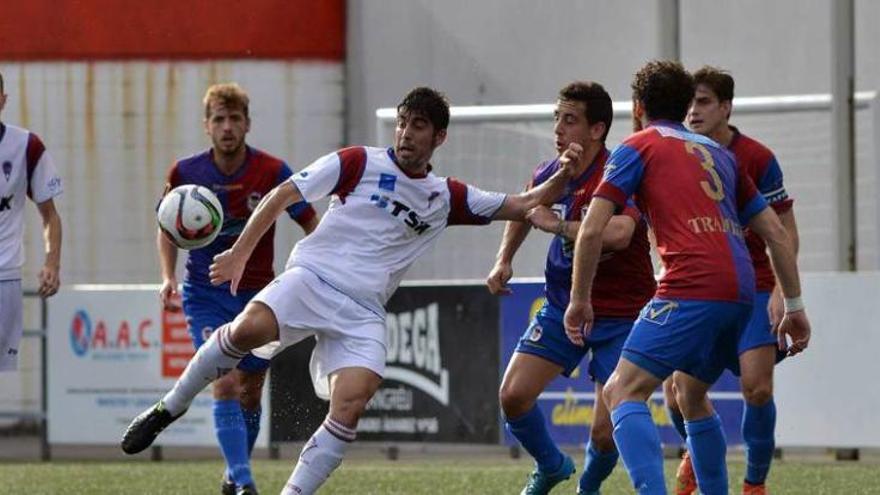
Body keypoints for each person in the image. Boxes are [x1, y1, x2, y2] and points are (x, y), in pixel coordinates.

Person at [122, 86, 579, 494]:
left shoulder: (446, 196)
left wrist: (561, 177)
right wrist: (242, 251)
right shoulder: (358, 161)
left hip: (362, 311)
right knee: (245, 332)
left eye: (418, 126)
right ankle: (169, 408)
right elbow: (284, 194)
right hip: (312, 278)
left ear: (438, 137)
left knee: (351, 405)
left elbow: (520, 204)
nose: (405, 133)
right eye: (402, 123)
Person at [563, 61, 811, 495]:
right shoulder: (722, 155)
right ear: (683, 107)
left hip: (690, 285)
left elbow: (591, 228)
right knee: (690, 396)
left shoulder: (636, 146)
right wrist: (794, 306)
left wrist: (579, 299)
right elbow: (774, 232)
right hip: (740, 291)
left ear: (637, 107)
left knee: (621, 390)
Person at [486, 81, 655, 495]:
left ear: (596, 130)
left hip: (621, 313)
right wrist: (503, 259)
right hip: (564, 307)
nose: (558, 129)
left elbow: (617, 233)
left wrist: (559, 225)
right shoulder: (552, 172)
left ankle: (588, 488)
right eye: (557, 119)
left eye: (569, 120)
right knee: (512, 396)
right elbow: (526, 208)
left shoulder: (620, 172)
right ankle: (551, 466)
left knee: (603, 432)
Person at [156, 83, 318, 495]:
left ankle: (232, 477)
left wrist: (318, 269)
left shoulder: (273, 172)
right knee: (224, 380)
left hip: (260, 297)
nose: (227, 127)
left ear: (247, 124)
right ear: (206, 126)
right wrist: (167, 276)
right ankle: (246, 483)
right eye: (219, 120)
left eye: (234, 119)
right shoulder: (185, 174)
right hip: (206, 293)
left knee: (250, 390)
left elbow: (310, 221)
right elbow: (166, 227)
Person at [665, 66, 801, 495]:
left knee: (757, 388)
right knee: (678, 393)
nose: (693, 110)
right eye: (689, 102)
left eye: (703, 101)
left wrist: (783, 290)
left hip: (756, 285)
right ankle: (695, 449)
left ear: (726, 106)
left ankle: (754, 485)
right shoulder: (677, 153)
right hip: (702, 286)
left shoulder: (757, 158)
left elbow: (786, 230)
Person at [0, 70, 63, 372]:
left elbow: (49, 214)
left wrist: (52, 262)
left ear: (3, 100)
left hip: (4, 276)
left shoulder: (26, 146)